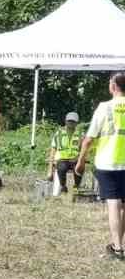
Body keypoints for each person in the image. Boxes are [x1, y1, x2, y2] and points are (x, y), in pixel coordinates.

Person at [74, 72, 125, 259]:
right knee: (123, 205)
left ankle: (118, 248)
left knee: (113, 202)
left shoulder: (105, 107)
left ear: (113, 86)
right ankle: (119, 243)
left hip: (108, 161)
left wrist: (81, 160)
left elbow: (89, 139)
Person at [48, 111, 85, 194]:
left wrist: (80, 158)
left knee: (79, 168)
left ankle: (76, 186)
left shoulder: (81, 134)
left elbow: (84, 149)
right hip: (62, 159)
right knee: (61, 168)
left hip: (75, 159)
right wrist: (50, 169)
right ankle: (63, 186)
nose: (71, 123)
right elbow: (53, 150)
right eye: (69, 121)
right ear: (65, 121)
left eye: (73, 121)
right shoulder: (59, 134)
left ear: (77, 123)